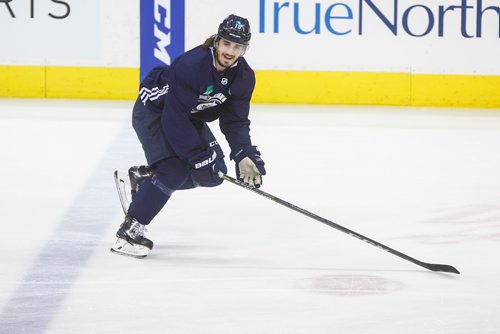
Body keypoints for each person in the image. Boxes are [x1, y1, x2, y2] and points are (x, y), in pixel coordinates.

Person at [110, 14, 266, 258]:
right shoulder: (192, 66)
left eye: (237, 46)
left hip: (186, 115)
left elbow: (235, 121)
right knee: (174, 171)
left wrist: (243, 154)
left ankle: (145, 181)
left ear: (245, 49)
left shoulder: (244, 76)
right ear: (216, 41)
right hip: (154, 112)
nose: (230, 51)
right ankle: (129, 232)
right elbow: (172, 119)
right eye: (226, 43)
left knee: (214, 175)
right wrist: (197, 155)